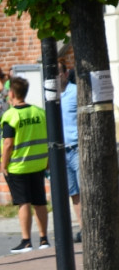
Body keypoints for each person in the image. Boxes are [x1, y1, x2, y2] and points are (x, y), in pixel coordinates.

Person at [0, 77, 50, 253]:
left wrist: (4, 165)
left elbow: (8, 144)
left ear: (12, 93)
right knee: (39, 202)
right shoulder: (39, 112)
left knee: (23, 203)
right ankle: (44, 239)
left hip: (18, 166)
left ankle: (26, 241)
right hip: (38, 164)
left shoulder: (11, 115)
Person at [59, 66, 81, 243]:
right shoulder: (51, 95)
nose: (56, 76)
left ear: (65, 74)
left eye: (58, 72)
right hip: (61, 151)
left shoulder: (75, 92)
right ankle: (83, 228)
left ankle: (92, 226)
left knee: (85, 189)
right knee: (73, 192)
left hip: (77, 148)